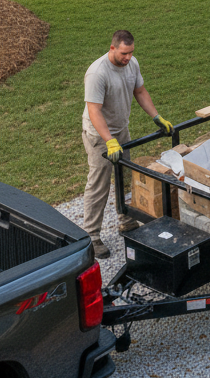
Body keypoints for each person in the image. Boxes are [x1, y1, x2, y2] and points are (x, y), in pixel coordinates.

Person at [82, 29, 172, 259]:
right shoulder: (97, 73)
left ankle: (126, 220)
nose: (128, 58)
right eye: (124, 53)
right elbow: (94, 110)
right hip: (100, 136)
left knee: (124, 175)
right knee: (99, 184)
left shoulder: (132, 65)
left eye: (131, 52)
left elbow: (139, 91)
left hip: (121, 131)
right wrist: (109, 141)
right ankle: (90, 236)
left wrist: (156, 116)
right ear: (112, 48)